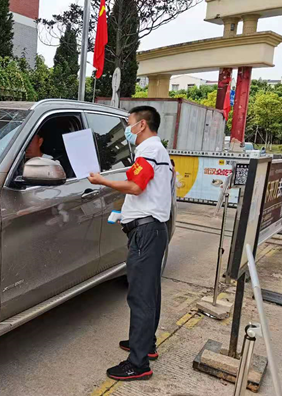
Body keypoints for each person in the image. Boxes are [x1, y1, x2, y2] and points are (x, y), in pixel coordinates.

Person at [88, 106, 173, 382]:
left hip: (146, 233)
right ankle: (146, 345)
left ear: (142, 125)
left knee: (141, 296)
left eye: (129, 123)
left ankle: (138, 363)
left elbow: (136, 186)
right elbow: (146, 191)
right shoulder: (158, 151)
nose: (127, 128)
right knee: (150, 293)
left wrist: (102, 180)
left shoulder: (148, 149)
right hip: (153, 230)